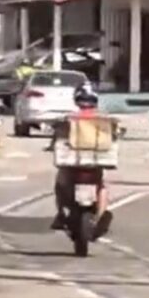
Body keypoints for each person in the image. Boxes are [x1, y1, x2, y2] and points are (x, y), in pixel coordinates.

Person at [51, 84, 114, 238]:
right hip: (94, 163)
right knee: (102, 187)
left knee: (60, 184)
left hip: (73, 164)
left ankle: (61, 214)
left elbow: (58, 136)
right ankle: (100, 215)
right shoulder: (104, 120)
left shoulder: (69, 118)